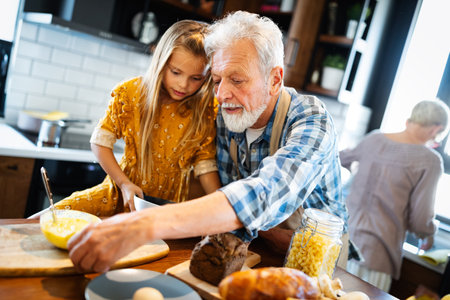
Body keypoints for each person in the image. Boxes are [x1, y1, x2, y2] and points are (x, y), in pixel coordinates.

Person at [67, 11, 348, 273]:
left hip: (313, 258)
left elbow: (266, 191)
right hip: (255, 246)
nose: (222, 94)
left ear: (274, 80)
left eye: (237, 80)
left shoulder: (311, 120)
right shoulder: (226, 115)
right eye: (215, 80)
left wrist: (144, 224)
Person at [47, 20, 221, 216]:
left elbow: (205, 166)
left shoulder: (206, 110)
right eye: (175, 72)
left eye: (196, 78)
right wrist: (124, 184)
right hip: (118, 195)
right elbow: (100, 143)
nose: (183, 84)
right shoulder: (131, 93)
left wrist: (219, 207)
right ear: (160, 61)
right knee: (46, 219)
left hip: (166, 210)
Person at [340, 99, 449, 292]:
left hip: (342, 242)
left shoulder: (375, 139)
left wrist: (357, 170)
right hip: (377, 254)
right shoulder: (430, 161)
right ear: (436, 129)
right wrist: (429, 233)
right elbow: (421, 219)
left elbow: (341, 158)